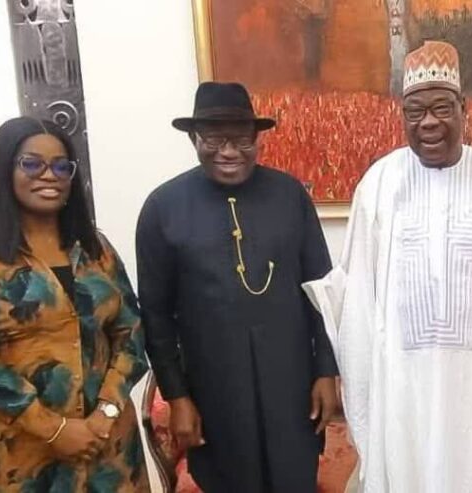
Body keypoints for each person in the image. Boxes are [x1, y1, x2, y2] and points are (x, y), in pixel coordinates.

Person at [303, 40, 472, 492]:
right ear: (402, 117)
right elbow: (358, 295)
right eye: (415, 111)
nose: (429, 122)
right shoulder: (380, 184)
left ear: (464, 109)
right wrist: (363, 382)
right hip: (401, 386)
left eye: (441, 107)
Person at [0, 117, 150, 491]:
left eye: (62, 167)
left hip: (104, 451)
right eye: (32, 163)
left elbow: (132, 332)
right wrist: (54, 429)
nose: (50, 175)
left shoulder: (93, 247)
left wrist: (104, 413)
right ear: (3, 170)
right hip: (9, 459)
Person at [136, 81, 339, 492]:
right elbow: (155, 316)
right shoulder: (163, 208)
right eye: (214, 138)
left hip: (291, 386)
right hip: (215, 391)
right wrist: (177, 397)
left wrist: (326, 370)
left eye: (241, 138)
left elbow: (323, 290)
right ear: (194, 138)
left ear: (256, 138)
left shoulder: (290, 195)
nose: (228, 151)